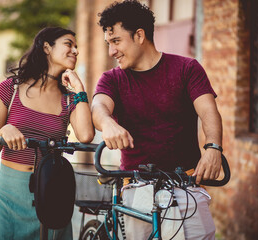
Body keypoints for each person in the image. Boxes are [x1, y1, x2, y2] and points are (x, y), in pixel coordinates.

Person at [91, 0, 223, 239]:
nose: (111, 51)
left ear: (139, 35)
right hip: (136, 187)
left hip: (186, 184)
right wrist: (108, 123)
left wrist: (213, 147)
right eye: (108, 43)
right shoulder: (111, 79)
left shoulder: (187, 68)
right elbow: (99, 106)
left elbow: (208, 110)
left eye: (116, 41)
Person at [0, 27, 94, 240]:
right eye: (69, 44)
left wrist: (79, 88)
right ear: (46, 47)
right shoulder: (10, 89)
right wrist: (4, 131)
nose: (76, 51)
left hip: (51, 193)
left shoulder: (69, 99)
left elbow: (86, 134)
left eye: (77, 46)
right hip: (8, 196)